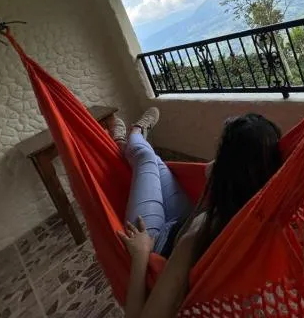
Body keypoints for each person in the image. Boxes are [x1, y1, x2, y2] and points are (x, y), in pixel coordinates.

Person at [108, 108, 282, 318]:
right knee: (152, 160)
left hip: (156, 241)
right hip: (182, 223)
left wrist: (140, 255)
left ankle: (130, 136)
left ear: (228, 171)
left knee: (145, 158)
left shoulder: (195, 238)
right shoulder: (260, 205)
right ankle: (127, 145)